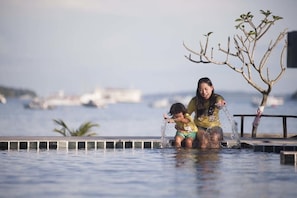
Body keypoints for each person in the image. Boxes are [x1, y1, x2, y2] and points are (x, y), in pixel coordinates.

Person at [187, 77, 226, 149]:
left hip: (215, 127)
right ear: (198, 90)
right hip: (199, 128)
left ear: (212, 87)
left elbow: (220, 101)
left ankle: (214, 158)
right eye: (201, 90)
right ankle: (202, 159)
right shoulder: (195, 101)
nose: (204, 92)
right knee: (204, 139)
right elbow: (186, 114)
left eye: (206, 89)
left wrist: (221, 104)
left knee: (215, 137)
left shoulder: (216, 97)